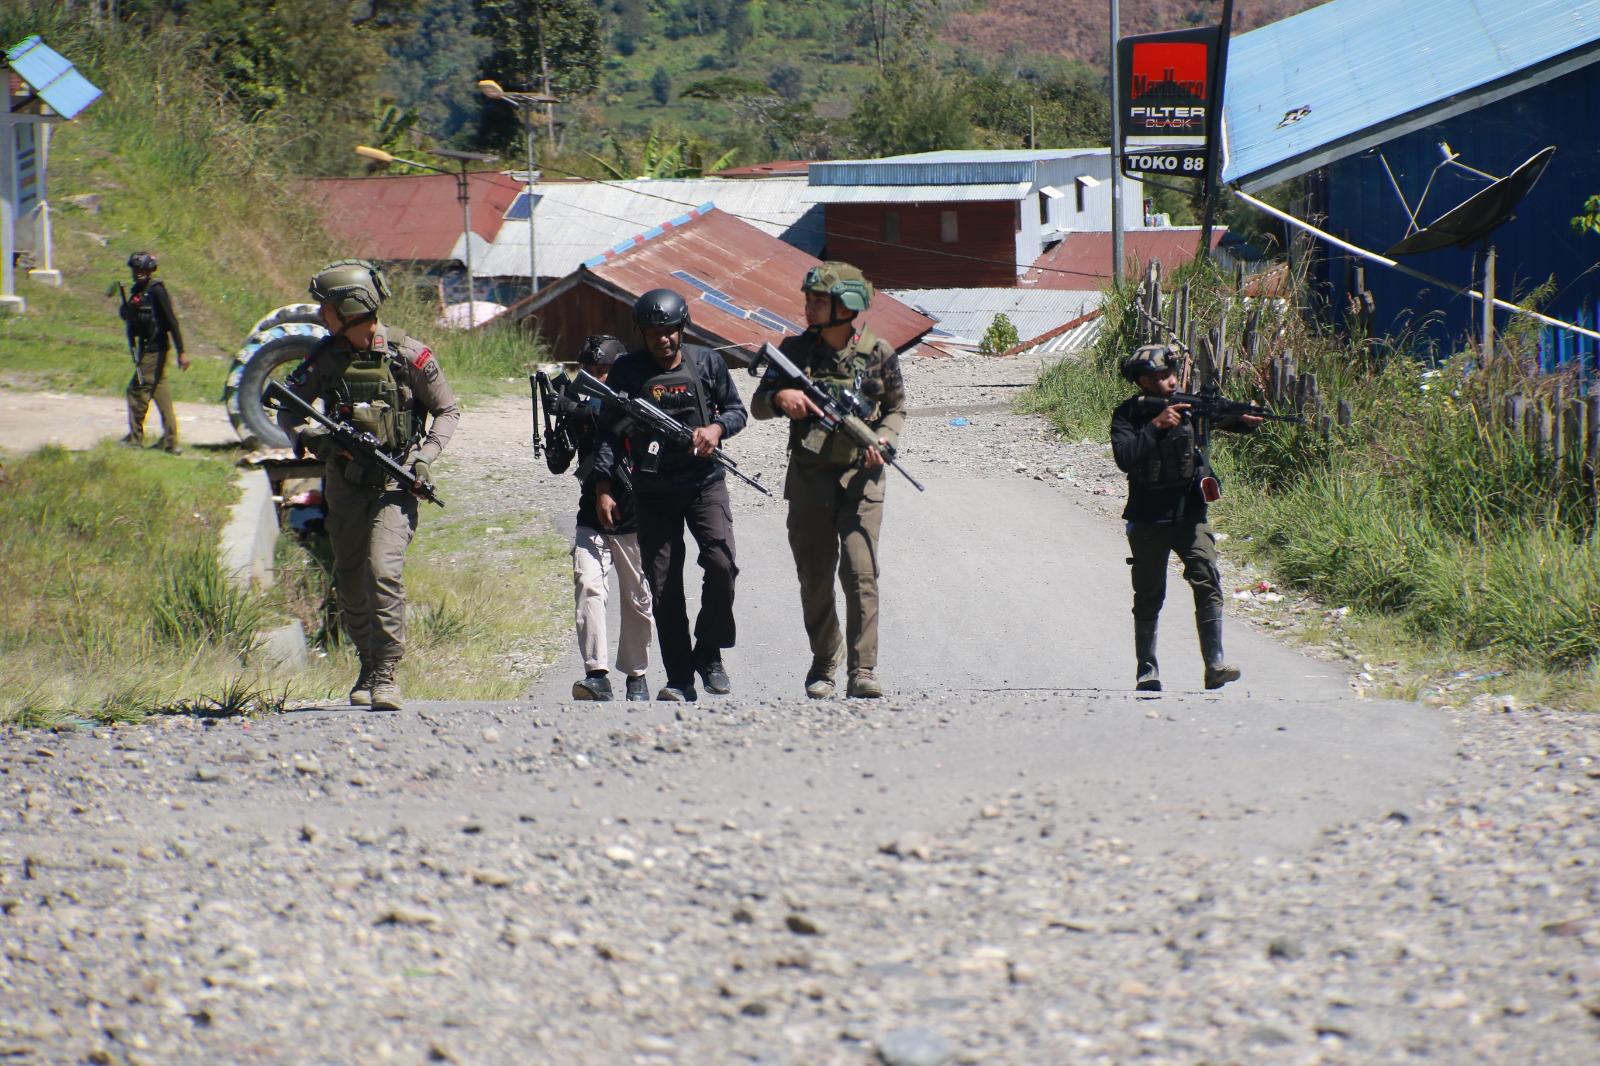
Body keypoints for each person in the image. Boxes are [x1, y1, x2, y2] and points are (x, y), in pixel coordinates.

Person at [277, 259, 461, 711]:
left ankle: (386, 673)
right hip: (346, 485)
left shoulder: (408, 354)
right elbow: (288, 409)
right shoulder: (325, 357)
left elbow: (448, 410)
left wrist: (423, 458)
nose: (322, 316)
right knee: (349, 578)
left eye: (327, 308)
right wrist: (315, 440)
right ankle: (366, 662)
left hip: (396, 483)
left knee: (382, 570)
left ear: (349, 307)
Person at [752, 262, 906, 699]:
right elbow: (758, 405)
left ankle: (863, 669)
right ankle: (824, 661)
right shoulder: (794, 352)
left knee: (860, 573)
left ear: (846, 306)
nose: (809, 307)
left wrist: (884, 437)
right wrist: (782, 397)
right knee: (815, 576)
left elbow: (896, 408)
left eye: (819, 300)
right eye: (809, 298)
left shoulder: (878, 353)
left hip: (863, 479)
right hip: (809, 476)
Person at [591, 289, 748, 702]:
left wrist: (715, 430)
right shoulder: (627, 370)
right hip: (652, 491)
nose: (662, 339)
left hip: (704, 483)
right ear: (642, 333)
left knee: (721, 564)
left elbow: (736, 410)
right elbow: (608, 431)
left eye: (669, 331)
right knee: (663, 586)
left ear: (682, 329)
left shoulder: (708, 362)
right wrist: (603, 486)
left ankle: (709, 652)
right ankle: (680, 679)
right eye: (653, 332)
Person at [1110, 343, 1260, 692]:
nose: (1172, 382)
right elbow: (1125, 457)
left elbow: (1225, 417)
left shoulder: (1191, 408)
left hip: (1191, 514)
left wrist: (1246, 419)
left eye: (1174, 375)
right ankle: (1147, 670)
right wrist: (1155, 427)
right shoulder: (1128, 414)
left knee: (1207, 579)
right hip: (1148, 518)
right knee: (1149, 594)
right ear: (1145, 382)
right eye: (1163, 377)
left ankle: (1215, 665)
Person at [544, 336, 653, 702]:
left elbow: (620, 415)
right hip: (591, 512)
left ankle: (637, 675)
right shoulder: (581, 405)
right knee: (588, 583)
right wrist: (555, 424)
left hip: (635, 514)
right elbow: (559, 463)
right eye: (588, 372)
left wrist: (574, 409)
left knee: (638, 597)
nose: (595, 378)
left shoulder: (637, 398)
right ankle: (597, 674)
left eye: (603, 371)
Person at [119, 252, 189, 452]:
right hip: (146, 348)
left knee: (137, 391)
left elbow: (172, 322)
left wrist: (181, 352)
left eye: (143, 270)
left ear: (150, 271)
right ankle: (170, 441)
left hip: (155, 349)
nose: (139, 273)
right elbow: (129, 315)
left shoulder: (157, 291)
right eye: (136, 269)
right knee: (160, 391)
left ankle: (135, 438)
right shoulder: (137, 291)